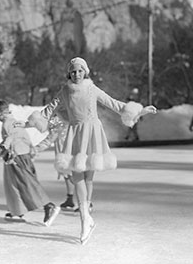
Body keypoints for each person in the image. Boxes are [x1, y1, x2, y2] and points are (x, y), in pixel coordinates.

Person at [45, 57, 157, 244]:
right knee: (77, 176)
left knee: (88, 177)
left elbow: (114, 104)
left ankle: (86, 216)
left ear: (85, 72)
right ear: (69, 73)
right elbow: (49, 109)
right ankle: (84, 219)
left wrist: (139, 111)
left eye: (80, 71)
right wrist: (29, 122)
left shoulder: (92, 89)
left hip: (92, 134)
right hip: (75, 134)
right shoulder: (65, 91)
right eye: (73, 71)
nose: (76, 74)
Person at [0, 101, 58, 225]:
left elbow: (10, 137)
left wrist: (2, 148)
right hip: (19, 155)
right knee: (14, 184)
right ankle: (17, 210)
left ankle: (48, 206)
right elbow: (24, 137)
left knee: (26, 183)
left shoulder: (8, 123)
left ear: (1, 113)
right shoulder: (15, 122)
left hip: (17, 156)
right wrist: (31, 149)